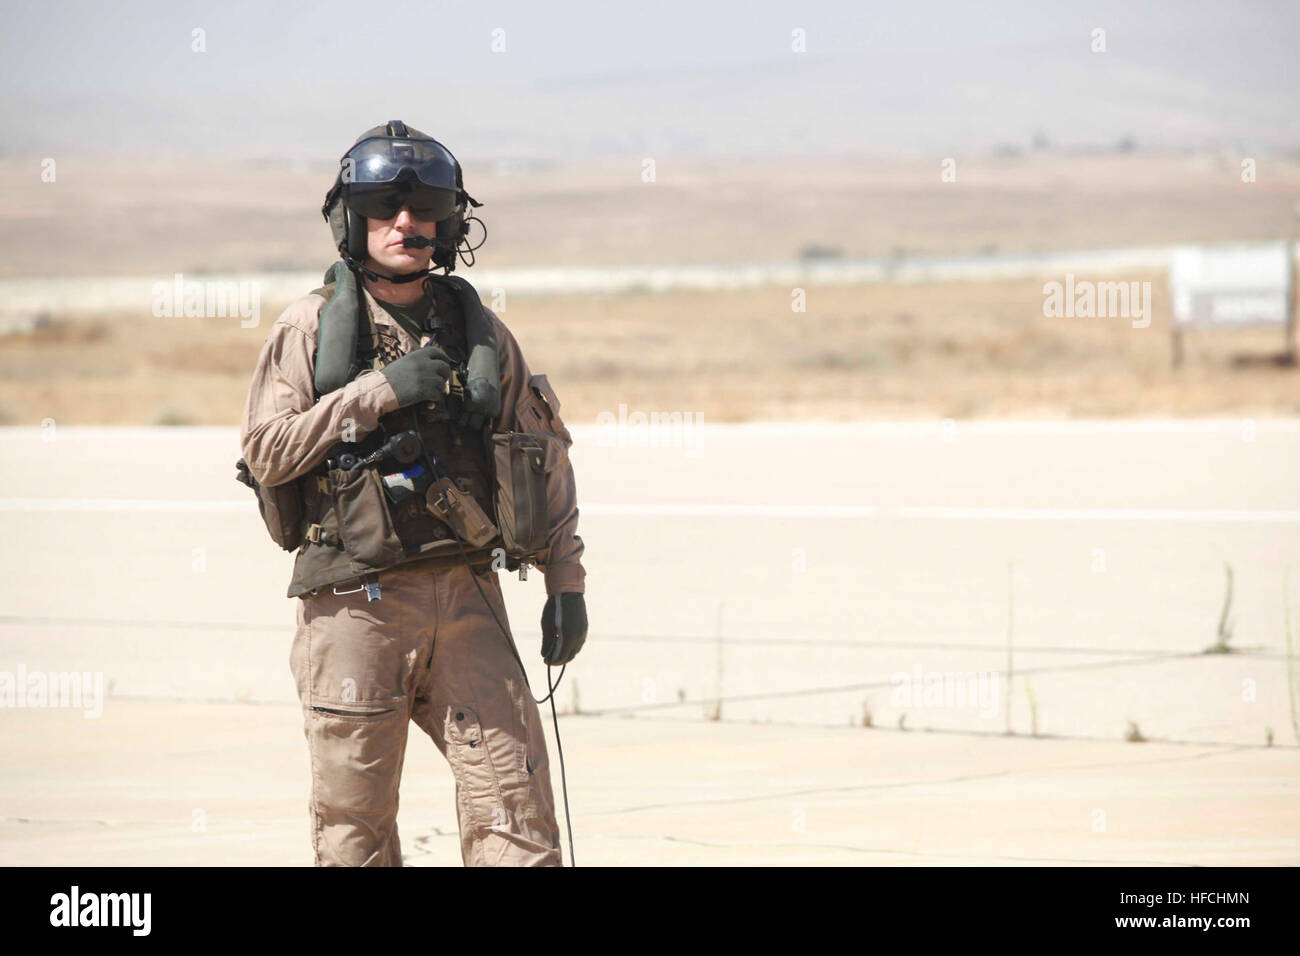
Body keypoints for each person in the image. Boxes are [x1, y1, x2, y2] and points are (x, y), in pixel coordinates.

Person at [238, 121, 588, 866]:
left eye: (423, 209)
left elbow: (543, 456)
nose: (406, 224)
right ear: (351, 221)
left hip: (467, 597)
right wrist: (374, 395)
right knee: (354, 828)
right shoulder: (309, 327)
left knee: (515, 811)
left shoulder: (478, 332)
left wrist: (566, 582)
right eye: (384, 210)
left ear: (449, 223)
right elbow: (266, 453)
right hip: (353, 607)